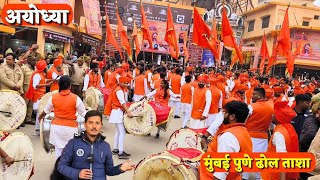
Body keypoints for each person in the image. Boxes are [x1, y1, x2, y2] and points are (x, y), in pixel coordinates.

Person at [57, 110, 135, 180]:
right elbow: (61, 166)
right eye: (90, 123)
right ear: (85, 125)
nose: (94, 126)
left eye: (97, 123)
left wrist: (120, 168)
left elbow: (109, 170)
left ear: (101, 125)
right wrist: (77, 173)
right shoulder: (73, 143)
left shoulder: (105, 146)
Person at [200, 101, 252, 180]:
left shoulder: (228, 137)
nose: (224, 115)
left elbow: (221, 173)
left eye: (225, 113)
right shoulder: (244, 132)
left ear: (232, 117)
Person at [38, 75, 87, 159]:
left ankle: (59, 168)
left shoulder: (53, 97)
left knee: (58, 150)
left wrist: (40, 118)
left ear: (59, 85)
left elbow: (46, 111)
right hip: (70, 128)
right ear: (70, 86)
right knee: (70, 150)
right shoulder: (76, 98)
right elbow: (83, 114)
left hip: (56, 127)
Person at [261, 101, 299, 180]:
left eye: (273, 114)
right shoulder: (289, 127)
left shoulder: (279, 133)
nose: (271, 116)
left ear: (278, 117)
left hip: (274, 175)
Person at [243, 87, 274, 180]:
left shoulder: (251, 107)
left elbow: (244, 120)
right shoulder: (271, 107)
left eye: (254, 94)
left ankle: (244, 177)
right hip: (263, 137)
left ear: (260, 96)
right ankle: (259, 178)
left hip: (249, 136)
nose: (252, 96)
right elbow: (272, 124)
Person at [105, 77, 133, 159]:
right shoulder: (119, 90)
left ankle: (116, 149)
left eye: (126, 83)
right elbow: (122, 102)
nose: (126, 84)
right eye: (124, 83)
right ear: (120, 82)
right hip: (118, 112)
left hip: (116, 111)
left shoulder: (118, 88)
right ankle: (120, 152)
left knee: (118, 131)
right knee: (122, 132)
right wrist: (128, 111)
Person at [21, 56, 37, 126]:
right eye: (33, 61)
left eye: (35, 61)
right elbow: (21, 80)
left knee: (30, 105)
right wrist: (21, 90)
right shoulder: (24, 68)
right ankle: (22, 120)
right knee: (24, 105)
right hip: (26, 90)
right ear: (29, 61)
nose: (35, 62)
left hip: (33, 89)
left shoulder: (35, 69)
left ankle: (28, 119)